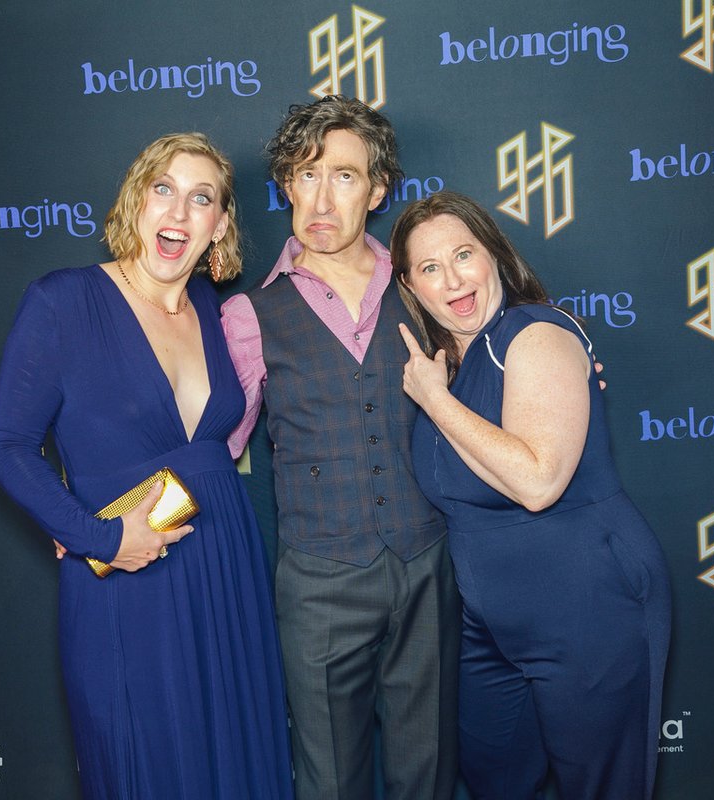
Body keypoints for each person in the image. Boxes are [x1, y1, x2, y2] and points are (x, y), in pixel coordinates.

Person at [0, 133, 294, 800]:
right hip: (127, 581)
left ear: (220, 226)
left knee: (237, 761)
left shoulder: (213, 311)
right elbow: (9, 447)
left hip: (225, 569)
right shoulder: (64, 301)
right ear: (137, 200)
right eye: (164, 189)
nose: (178, 213)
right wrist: (102, 536)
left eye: (201, 198)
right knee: (146, 764)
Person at [389, 190, 671, 800]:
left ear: (494, 254)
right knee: (495, 781)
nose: (453, 279)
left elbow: (538, 481)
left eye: (464, 254)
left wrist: (433, 401)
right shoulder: (449, 363)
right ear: (411, 285)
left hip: (588, 603)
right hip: (488, 626)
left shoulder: (534, 333)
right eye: (430, 267)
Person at [222, 96, 460, 799]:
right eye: (304, 175)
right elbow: (209, 447)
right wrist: (105, 514)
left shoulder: (422, 288)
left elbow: (491, 380)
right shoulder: (249, 314)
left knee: (430, 771)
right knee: (329, 781)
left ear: (379, 190)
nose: (321, 197)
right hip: (320, 580)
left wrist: (568, 361)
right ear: (286, 186)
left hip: (426, 563)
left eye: (344, 176)